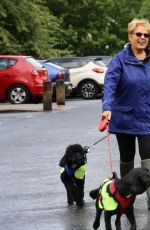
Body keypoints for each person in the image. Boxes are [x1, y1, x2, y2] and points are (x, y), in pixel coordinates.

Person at [101, 18, 150, 210]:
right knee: (127, 157)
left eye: (146, 35)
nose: (142, 38)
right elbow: (110, 84)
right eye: (139, 34)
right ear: (130, 36)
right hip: (125, 118)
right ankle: (126, 198)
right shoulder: (119, 60)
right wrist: (106, 108)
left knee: (148, 155)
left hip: (147, 117)